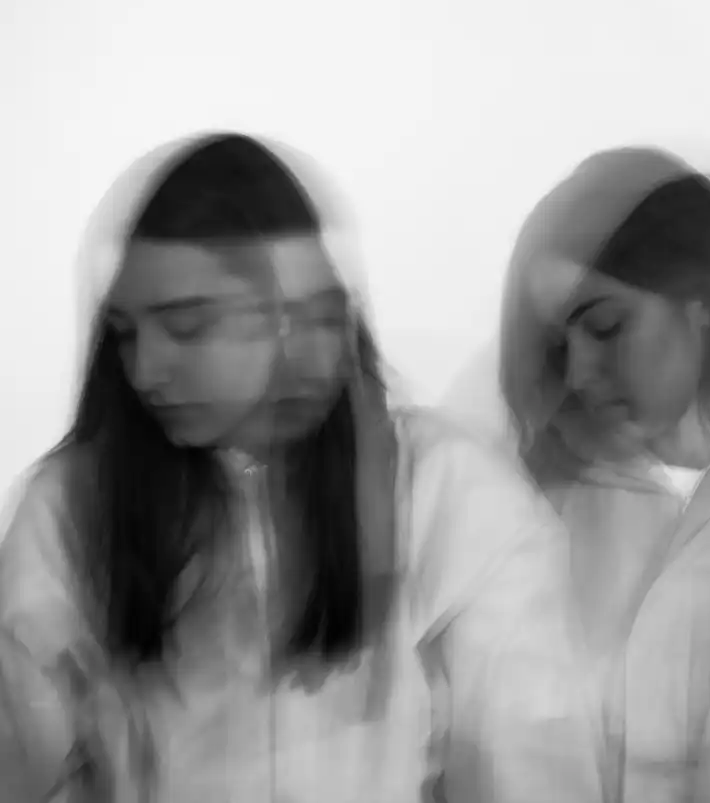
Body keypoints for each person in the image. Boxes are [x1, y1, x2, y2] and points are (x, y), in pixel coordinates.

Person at [0, 132, 600, 802]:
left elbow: (528, 768)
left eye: (187, 326)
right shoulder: (69, 510)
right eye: (126, 333)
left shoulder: (449, 494)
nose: (144, 369)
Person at [498, 145, 710, 802]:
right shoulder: (532, 515)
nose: (578, 371)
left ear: (702, 299)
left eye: (605, 326)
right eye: (559, 342)